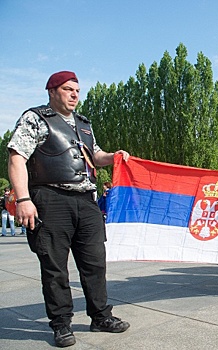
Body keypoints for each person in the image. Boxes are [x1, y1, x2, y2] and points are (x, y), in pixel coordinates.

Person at [7, 71, 130, 348]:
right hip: (50, 199)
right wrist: (24, 199)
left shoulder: (84, 125)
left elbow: (95, 156)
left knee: (95, 263)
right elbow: (17, 158)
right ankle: (61, 323)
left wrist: (114, 157)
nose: (75, 94)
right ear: (52, 92)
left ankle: (100, 316)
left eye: (77, 90)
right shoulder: (35, 119)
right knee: (54, 267)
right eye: (67, 89)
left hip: (86, 201)